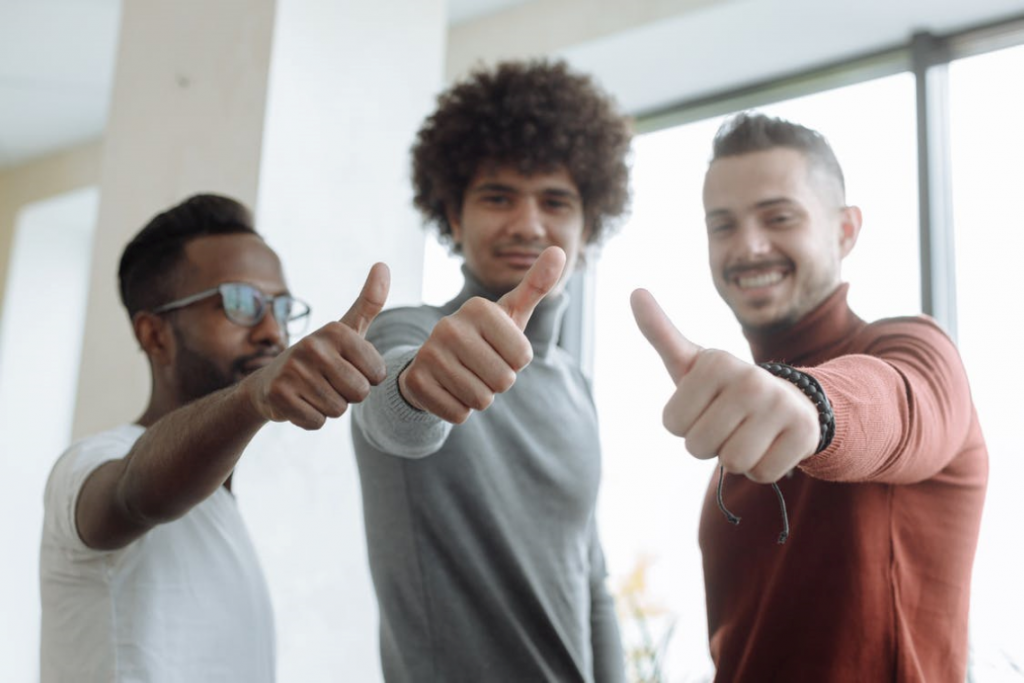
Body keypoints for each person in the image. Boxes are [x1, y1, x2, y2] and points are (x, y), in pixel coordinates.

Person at [631, 113, 988, 681]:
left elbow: (893, 405)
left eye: (779, 217)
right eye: (723, 225)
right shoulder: (743, 413)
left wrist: (811, 404)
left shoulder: (914, 349)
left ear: (845, 230)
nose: (748, 246)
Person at [351, 60, 632, 682]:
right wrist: (417, 389)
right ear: (453, 218)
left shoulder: (575, 386)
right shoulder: (412, 333)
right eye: (497, 197)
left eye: (555, 201)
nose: (527, 223)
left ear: (588, 226)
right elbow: (394, 413)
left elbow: (591, 583)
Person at [39, 194, 389, 682]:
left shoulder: (227, 508)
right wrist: (252, 397)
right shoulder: (89, 463)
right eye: (240, 302)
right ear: (155, 335)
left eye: (280, 307)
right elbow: (132, 495)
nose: (272, 331)